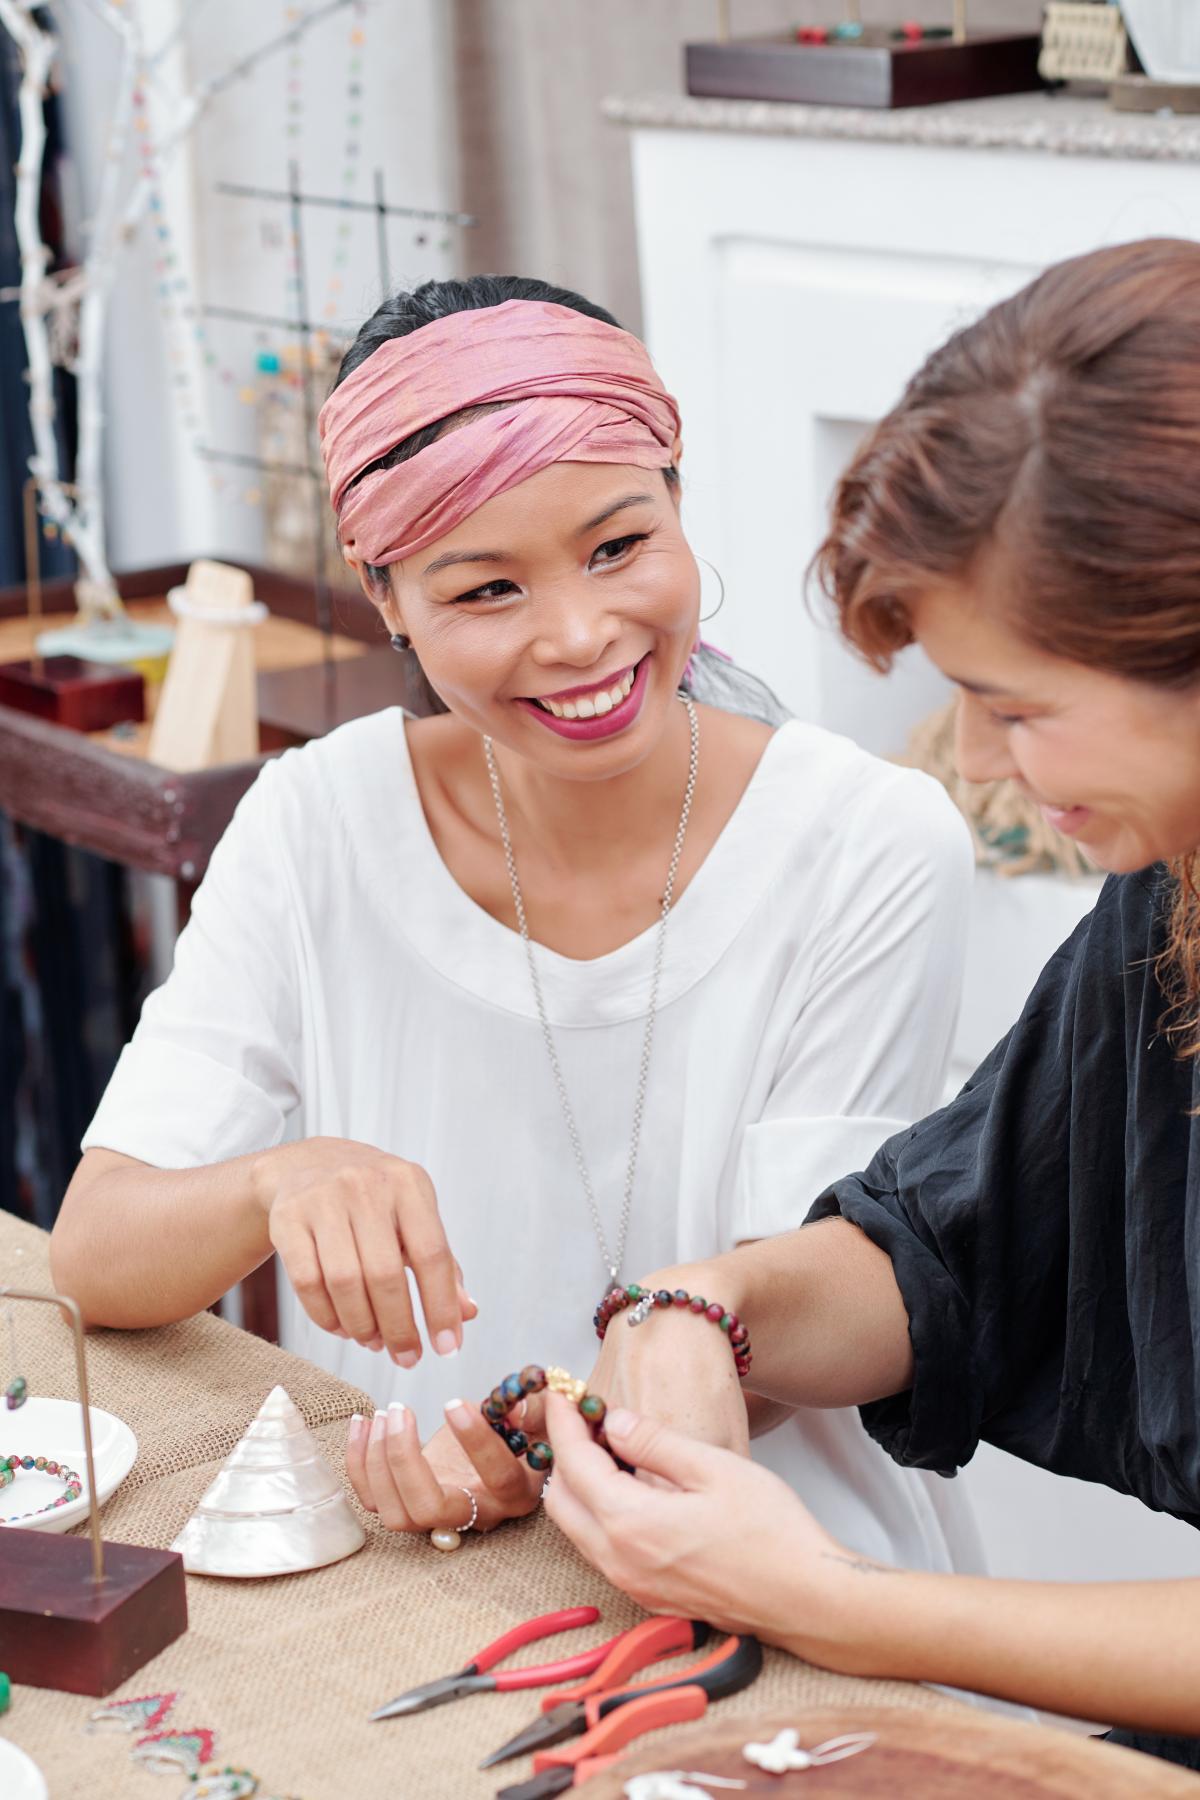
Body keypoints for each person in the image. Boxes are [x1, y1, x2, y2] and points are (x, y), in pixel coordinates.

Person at [51, 274, 979, 1580]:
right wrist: (280, 1175)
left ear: (678, 503)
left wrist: (555, 1438)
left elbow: (809, 1307)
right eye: (486, 591)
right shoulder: (315, 825)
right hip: (413, 1569)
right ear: (385, 600)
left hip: (786, 1575)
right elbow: (95, 1256)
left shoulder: (870, 844)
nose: (581, 633)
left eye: (618, 546)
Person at [544, 237, 1200, 1768]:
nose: (972, 763)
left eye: (1018, 706)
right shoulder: (1167, 916)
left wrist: (837, 1600)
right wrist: (707, 1308)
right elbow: (947, 1255)